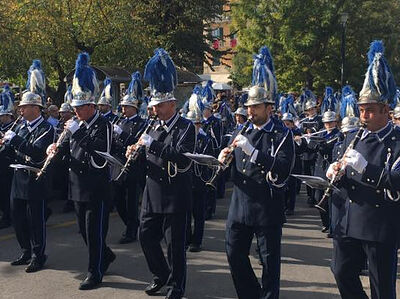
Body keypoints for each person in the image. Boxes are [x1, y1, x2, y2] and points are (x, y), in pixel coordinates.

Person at [328, 40, 400, 299]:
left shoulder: (397, 140)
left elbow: (396, 182)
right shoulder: (352, 137)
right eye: (361, 110)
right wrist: (335, 174)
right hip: (349, 221)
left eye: (369, 110)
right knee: (341, 271)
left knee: (382, 289)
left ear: (385, 109)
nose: (364, 115)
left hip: (380, 223)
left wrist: (365, 168)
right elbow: (344, 177)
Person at [221, 46, 294, 299]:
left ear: (269, 107)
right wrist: (224, 159)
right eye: (249, 107)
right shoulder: (241, 131)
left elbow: (283, 168)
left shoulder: (282, 134)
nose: (250, 112)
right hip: (239, 205)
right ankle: (250, 294)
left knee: (269, 262)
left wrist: (253, 152)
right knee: (233, 253)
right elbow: (233, 159)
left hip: (266, 206)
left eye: (256, 107)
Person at [126, 48, 195, 299]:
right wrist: (134, 153)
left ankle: (177, 286)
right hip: (152, 192)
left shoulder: (186, 127)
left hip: (175, 194)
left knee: (175, 246)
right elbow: (147, 156)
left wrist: (151, 144)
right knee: (145, 237)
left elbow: (181, 157)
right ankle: (161, 275)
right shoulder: (152, 125)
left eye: (158, 106)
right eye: (153, 106)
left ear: (171, 104)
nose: (154, 110)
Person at [47, 52, 115, 290]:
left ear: (90, 105)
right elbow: (66, 148)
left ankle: (94, 273)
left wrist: (77, 132)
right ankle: (105, 256)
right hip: (76, 186)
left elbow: (100, 155)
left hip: (96, 188)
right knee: (85, 232)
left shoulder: (103, 125)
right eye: (74, 107)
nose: (75, 111)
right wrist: (55, 148)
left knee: (94, 233)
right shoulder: (75, 125)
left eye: (79, 108)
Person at [1, 90, 54, 273]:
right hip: (18, 178)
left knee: (35, 220)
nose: (20, 110)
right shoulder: (20, 127)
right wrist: (5, 145)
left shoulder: (46, 128)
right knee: (18, 218)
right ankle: (25, 251)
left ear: (35, 108)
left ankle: (38, 255)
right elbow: (11, 152)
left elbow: (37, 151)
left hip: (35, 178)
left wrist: (14, 140)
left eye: (24, 107)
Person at [112, 72, 146, 244]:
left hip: (133, 167)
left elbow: (138, 143)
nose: (123, 109)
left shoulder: (141, 123)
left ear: (134, 108)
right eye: (122, 107)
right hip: (119, 165)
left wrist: (122, 135)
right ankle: (131, 224)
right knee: (118, 201)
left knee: (131, 201)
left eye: (126, 107)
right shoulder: (119, 121)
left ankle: (131, 230)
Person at [185, 110, 213, 252]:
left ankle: (197, 241)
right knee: (186, 211)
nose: (193, 126)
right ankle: (187, 238)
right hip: (186, 179)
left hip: (199, 178)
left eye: (195, 124)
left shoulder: (205, 139)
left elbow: (209, 158)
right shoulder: (184, 136)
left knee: (198, 213)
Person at [0, 104, 15, 229]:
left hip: (8, 164)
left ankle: (7, 217)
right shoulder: (2, 127)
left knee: (6, 192)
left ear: (7, 115)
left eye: (2, 116)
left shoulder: (14, 128)